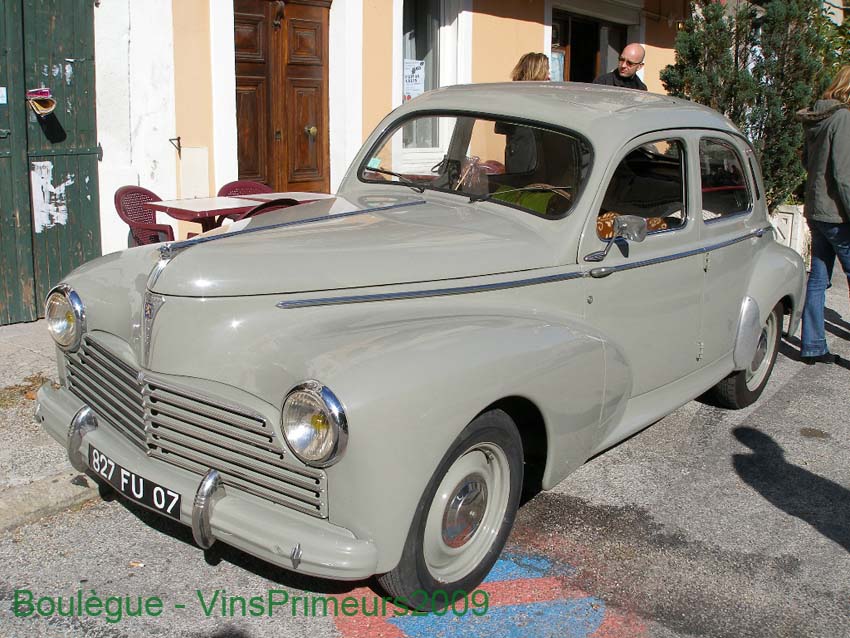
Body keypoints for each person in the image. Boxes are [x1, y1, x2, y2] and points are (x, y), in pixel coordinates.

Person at [796, 65, 850, 364]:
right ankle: (814, 345)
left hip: (816, 209)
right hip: (838, 214)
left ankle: (813, 346)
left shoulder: (818, 118)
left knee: (817, 279)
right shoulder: (843, 119)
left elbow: (807, 161)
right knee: (819, 278)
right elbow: (844, 175)